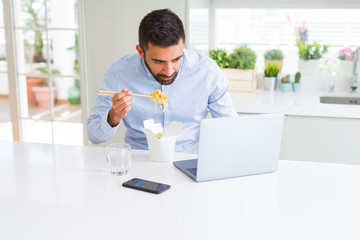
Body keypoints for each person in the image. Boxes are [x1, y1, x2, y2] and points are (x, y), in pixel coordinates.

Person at [87, 8, 237, 153]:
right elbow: (95, 136)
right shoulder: (119, 73)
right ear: (140, 52)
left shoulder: (207, 71)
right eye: (159, 62)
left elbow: (230, 127)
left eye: (177, 59)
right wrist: (114, 115)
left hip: (189, 161)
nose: (169, 71)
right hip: (141, 165)